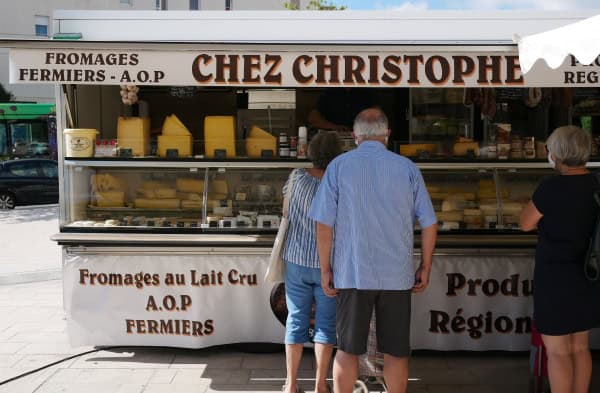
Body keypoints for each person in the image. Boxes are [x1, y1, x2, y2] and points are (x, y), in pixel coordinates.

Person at [309, 108, 438, 393]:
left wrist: (326, 269)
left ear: (354, 136)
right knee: (395, 351)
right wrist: (425, 267)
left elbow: (323, 225)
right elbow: (429, 223)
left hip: (352, 273)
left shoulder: (339, 167)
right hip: (396, 276)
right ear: (387, 134)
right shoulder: (406, 168)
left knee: (347, 349)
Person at [520, 125, 600, 393]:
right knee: (579, 347)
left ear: (559, 154)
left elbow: (525, 223)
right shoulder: (596, 183)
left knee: (557, 352)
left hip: (555, 278)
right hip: (589, 274)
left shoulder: (550, 187)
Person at [281, 131, 343, 393]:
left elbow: (285, 210)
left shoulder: (296, 177)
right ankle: (320, 385)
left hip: (295, 260)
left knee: (296, 320)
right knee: (326, 325)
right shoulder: (340, 182)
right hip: (329, 263)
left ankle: (291, 384)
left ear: (310, 152)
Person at [308, 88, 376, 132]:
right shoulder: (330, 92)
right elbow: (313, 117)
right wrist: (333, 127)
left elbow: (378, 116)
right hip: (334, 139)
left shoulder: (366, 91)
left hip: (362, 138)